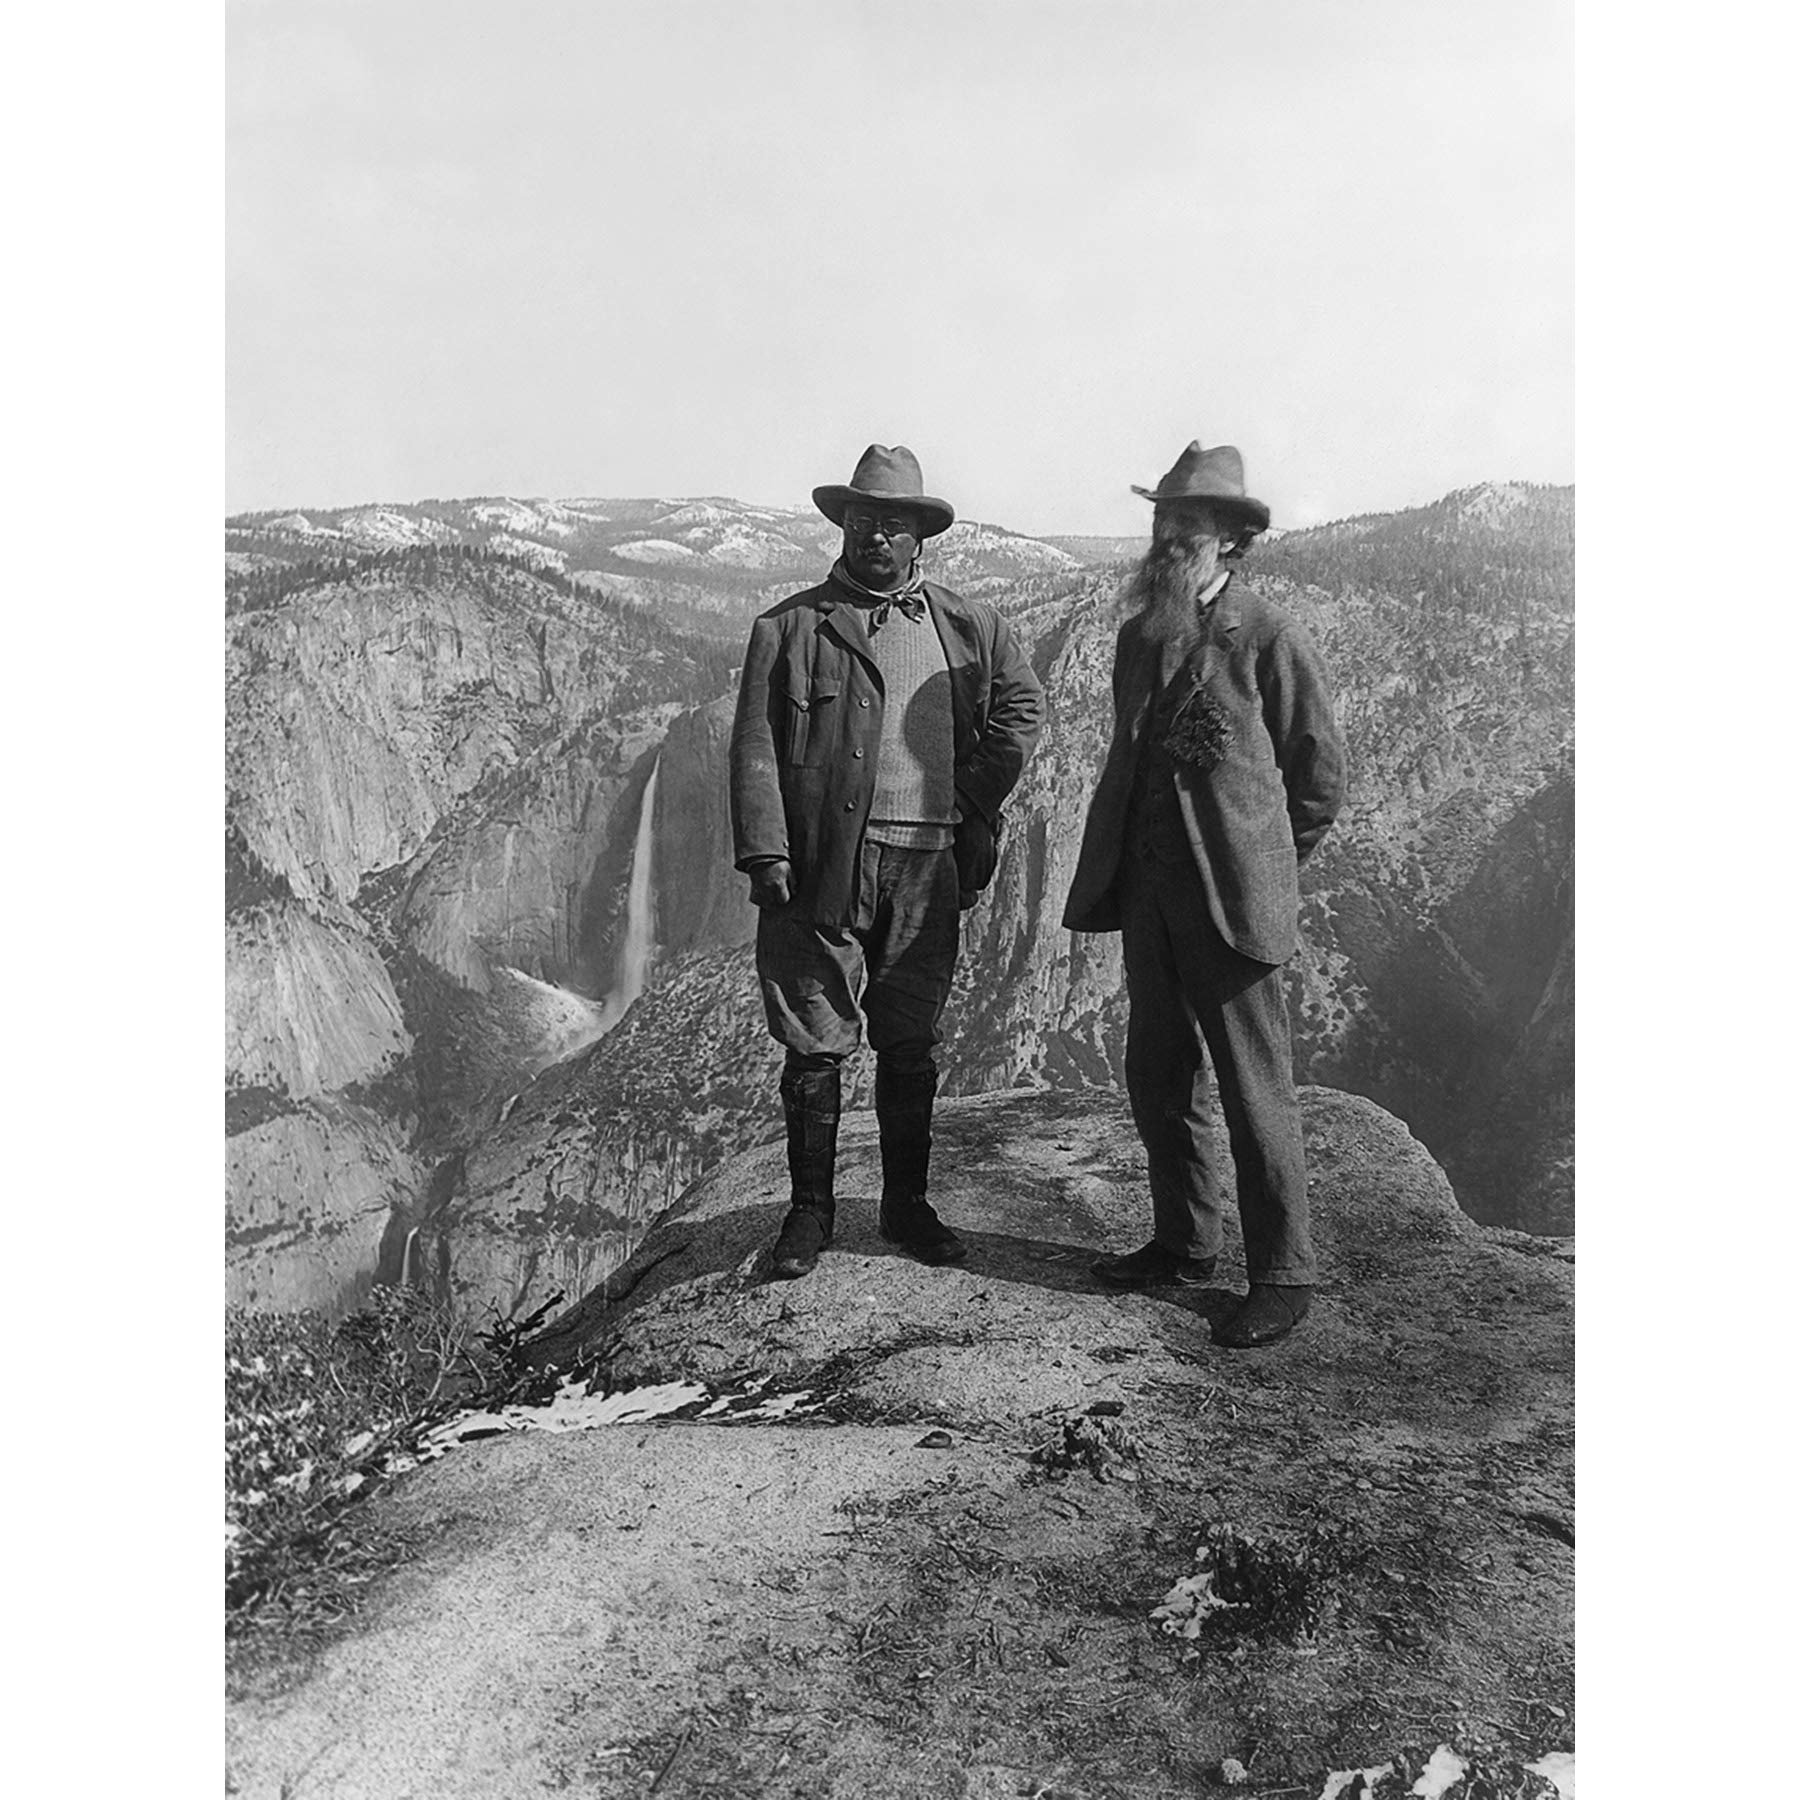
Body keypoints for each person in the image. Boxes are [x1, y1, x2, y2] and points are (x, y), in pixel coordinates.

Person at [730, 443, 1043, 1279]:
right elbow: (755, 745)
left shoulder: (970, 627)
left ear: (919, 539)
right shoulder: (790, 628)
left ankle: (907, 1206)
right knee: (814, 1041)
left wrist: (973, 796)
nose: (877, 538)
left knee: (910, 1044)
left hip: (930, 864)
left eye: (893, 526)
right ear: (844, 527)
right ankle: (809, 1216)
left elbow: (1022, 709)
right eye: (864, 521)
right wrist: (766, 850)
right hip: (822, 865)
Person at [1062, 440, 1346, 1347]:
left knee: (1254, 1086)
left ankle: (1284, 1275)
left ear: (1232, 539)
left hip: (1233, 901)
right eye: (1164, 520)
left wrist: (1263, 862)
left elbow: (1318, 779)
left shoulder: (1266, 634)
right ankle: (1184, 1242)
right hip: (1150, 893)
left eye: (1189, 523)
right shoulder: (1140, 634)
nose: (1171, 536)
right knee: (1157, 1073)